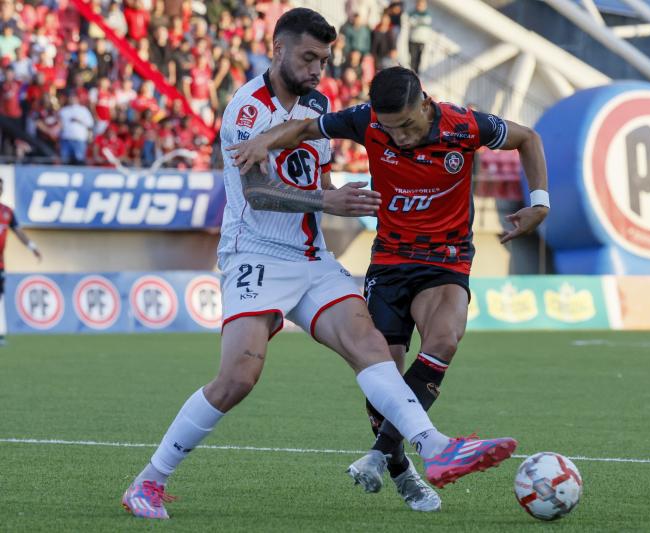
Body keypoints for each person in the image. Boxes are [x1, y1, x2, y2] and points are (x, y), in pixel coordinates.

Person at [121, 9, 516, 520]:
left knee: (369, 346)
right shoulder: (247, 110)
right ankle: (148, 483)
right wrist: (326, 204)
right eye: (309, 57)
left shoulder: (317, 104)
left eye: (324, 60)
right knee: (238, 377)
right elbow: (259, 192)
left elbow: (314, 181)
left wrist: (335, 195)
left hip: (311, 258)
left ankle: (433, 447)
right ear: (278, 50)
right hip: (255, 255)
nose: (317, 69)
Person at [228, 66, 550, 512]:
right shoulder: (368, 121)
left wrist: (539, 202)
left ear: (424, 101)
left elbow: (528, 138)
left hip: (446, 259)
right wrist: (264, 140)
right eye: (388, 128)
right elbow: (304, 127)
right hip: (391, 260)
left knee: (444, 339)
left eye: (405, 126)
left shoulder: (466, 126)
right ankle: (400, 466)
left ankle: (382, 454)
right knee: (383, 375)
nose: (397, 137)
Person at [0, 176, 43, 347]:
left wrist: (32, 246)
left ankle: (1, 334)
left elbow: (18, 231)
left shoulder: (7, 212)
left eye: (1, 186)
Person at [408, 0, 433, 73]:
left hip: (422, 40)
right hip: (413, 39)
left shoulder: (427, 15)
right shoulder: (412, 13)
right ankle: (411, 73)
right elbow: (411, 22)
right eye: (419, 4)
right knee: (413, 58)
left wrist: (418, 22)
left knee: (419, 59)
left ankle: (416, 75)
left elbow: (427, 22)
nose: (420, 6)